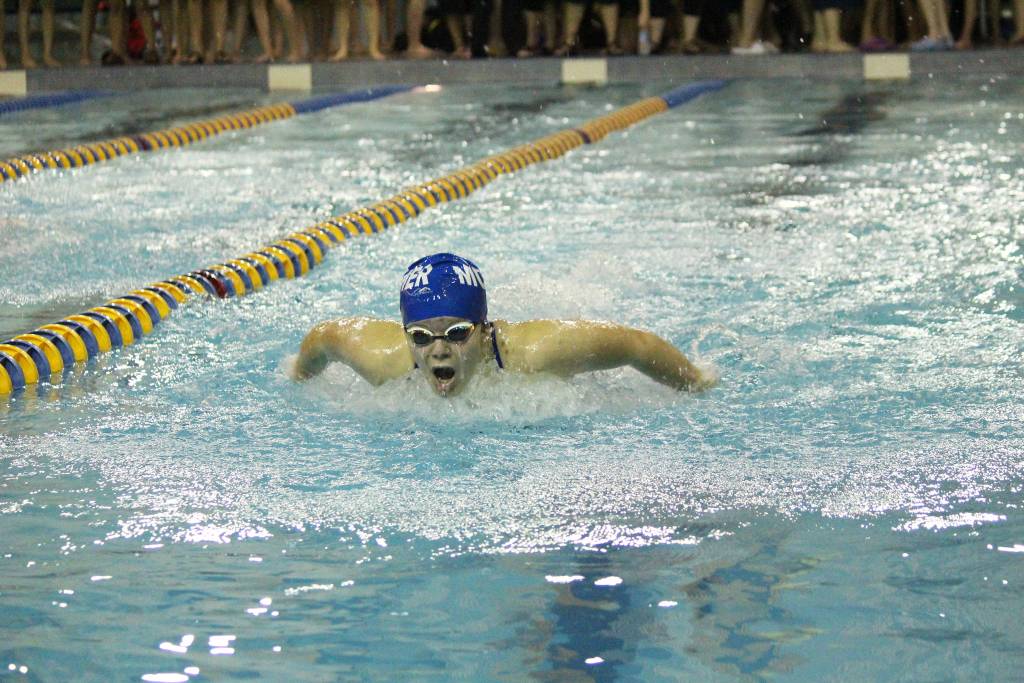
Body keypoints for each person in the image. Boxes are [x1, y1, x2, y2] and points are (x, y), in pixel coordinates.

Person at [292, 253, 715, 397]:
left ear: (484, 327)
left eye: (457, 333)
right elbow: (323, 337)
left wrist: (696, 382)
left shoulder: (534, 353)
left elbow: (636, 346)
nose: (438, 350)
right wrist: (297, 377)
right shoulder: (385, 360)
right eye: (421, 336)